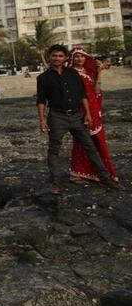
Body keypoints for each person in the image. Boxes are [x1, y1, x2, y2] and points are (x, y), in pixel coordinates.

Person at [36, 44, 121, 194]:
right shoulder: (43, 78)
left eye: (60, 56)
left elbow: (83, 95)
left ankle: (105, 177)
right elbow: (41, 100)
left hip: (77, 116)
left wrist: (87, 114)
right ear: (50, 57)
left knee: (90, 147)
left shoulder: (73, 74)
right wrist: (42, 120)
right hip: (56, 117)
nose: (57, 58)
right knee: (54, 150)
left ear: (65, 58)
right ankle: (56, 183)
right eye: (54, 55)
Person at [67, 47, 121, 186]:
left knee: (97, 140)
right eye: (77, 56)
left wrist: (99, 73)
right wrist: (85, 112)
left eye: (82, 56)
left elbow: (96, 90)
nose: (80, 59)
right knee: (82, 141)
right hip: (81, 109)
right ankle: (77, 172)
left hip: (93, 108)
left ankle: (95, 172)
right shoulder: (71, 73)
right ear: (72, 58)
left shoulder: (88, 72)